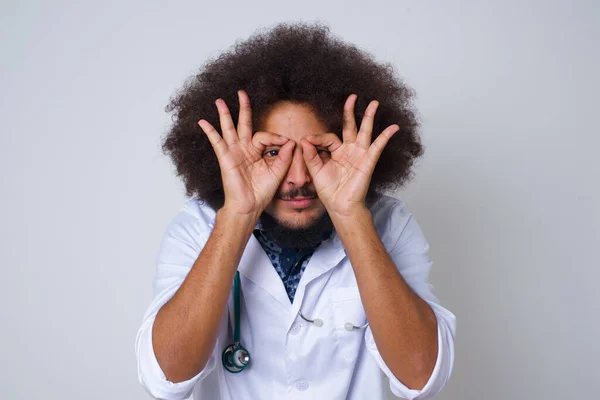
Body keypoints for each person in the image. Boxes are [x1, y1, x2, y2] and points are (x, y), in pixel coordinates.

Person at [135, 21, 456, 400]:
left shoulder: (387, 224)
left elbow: (422, 377)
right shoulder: (198, 227)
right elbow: (165, 379)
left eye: (319, 150)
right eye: (273, 153)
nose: (299, 177)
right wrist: (238, 215)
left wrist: (350, 215)